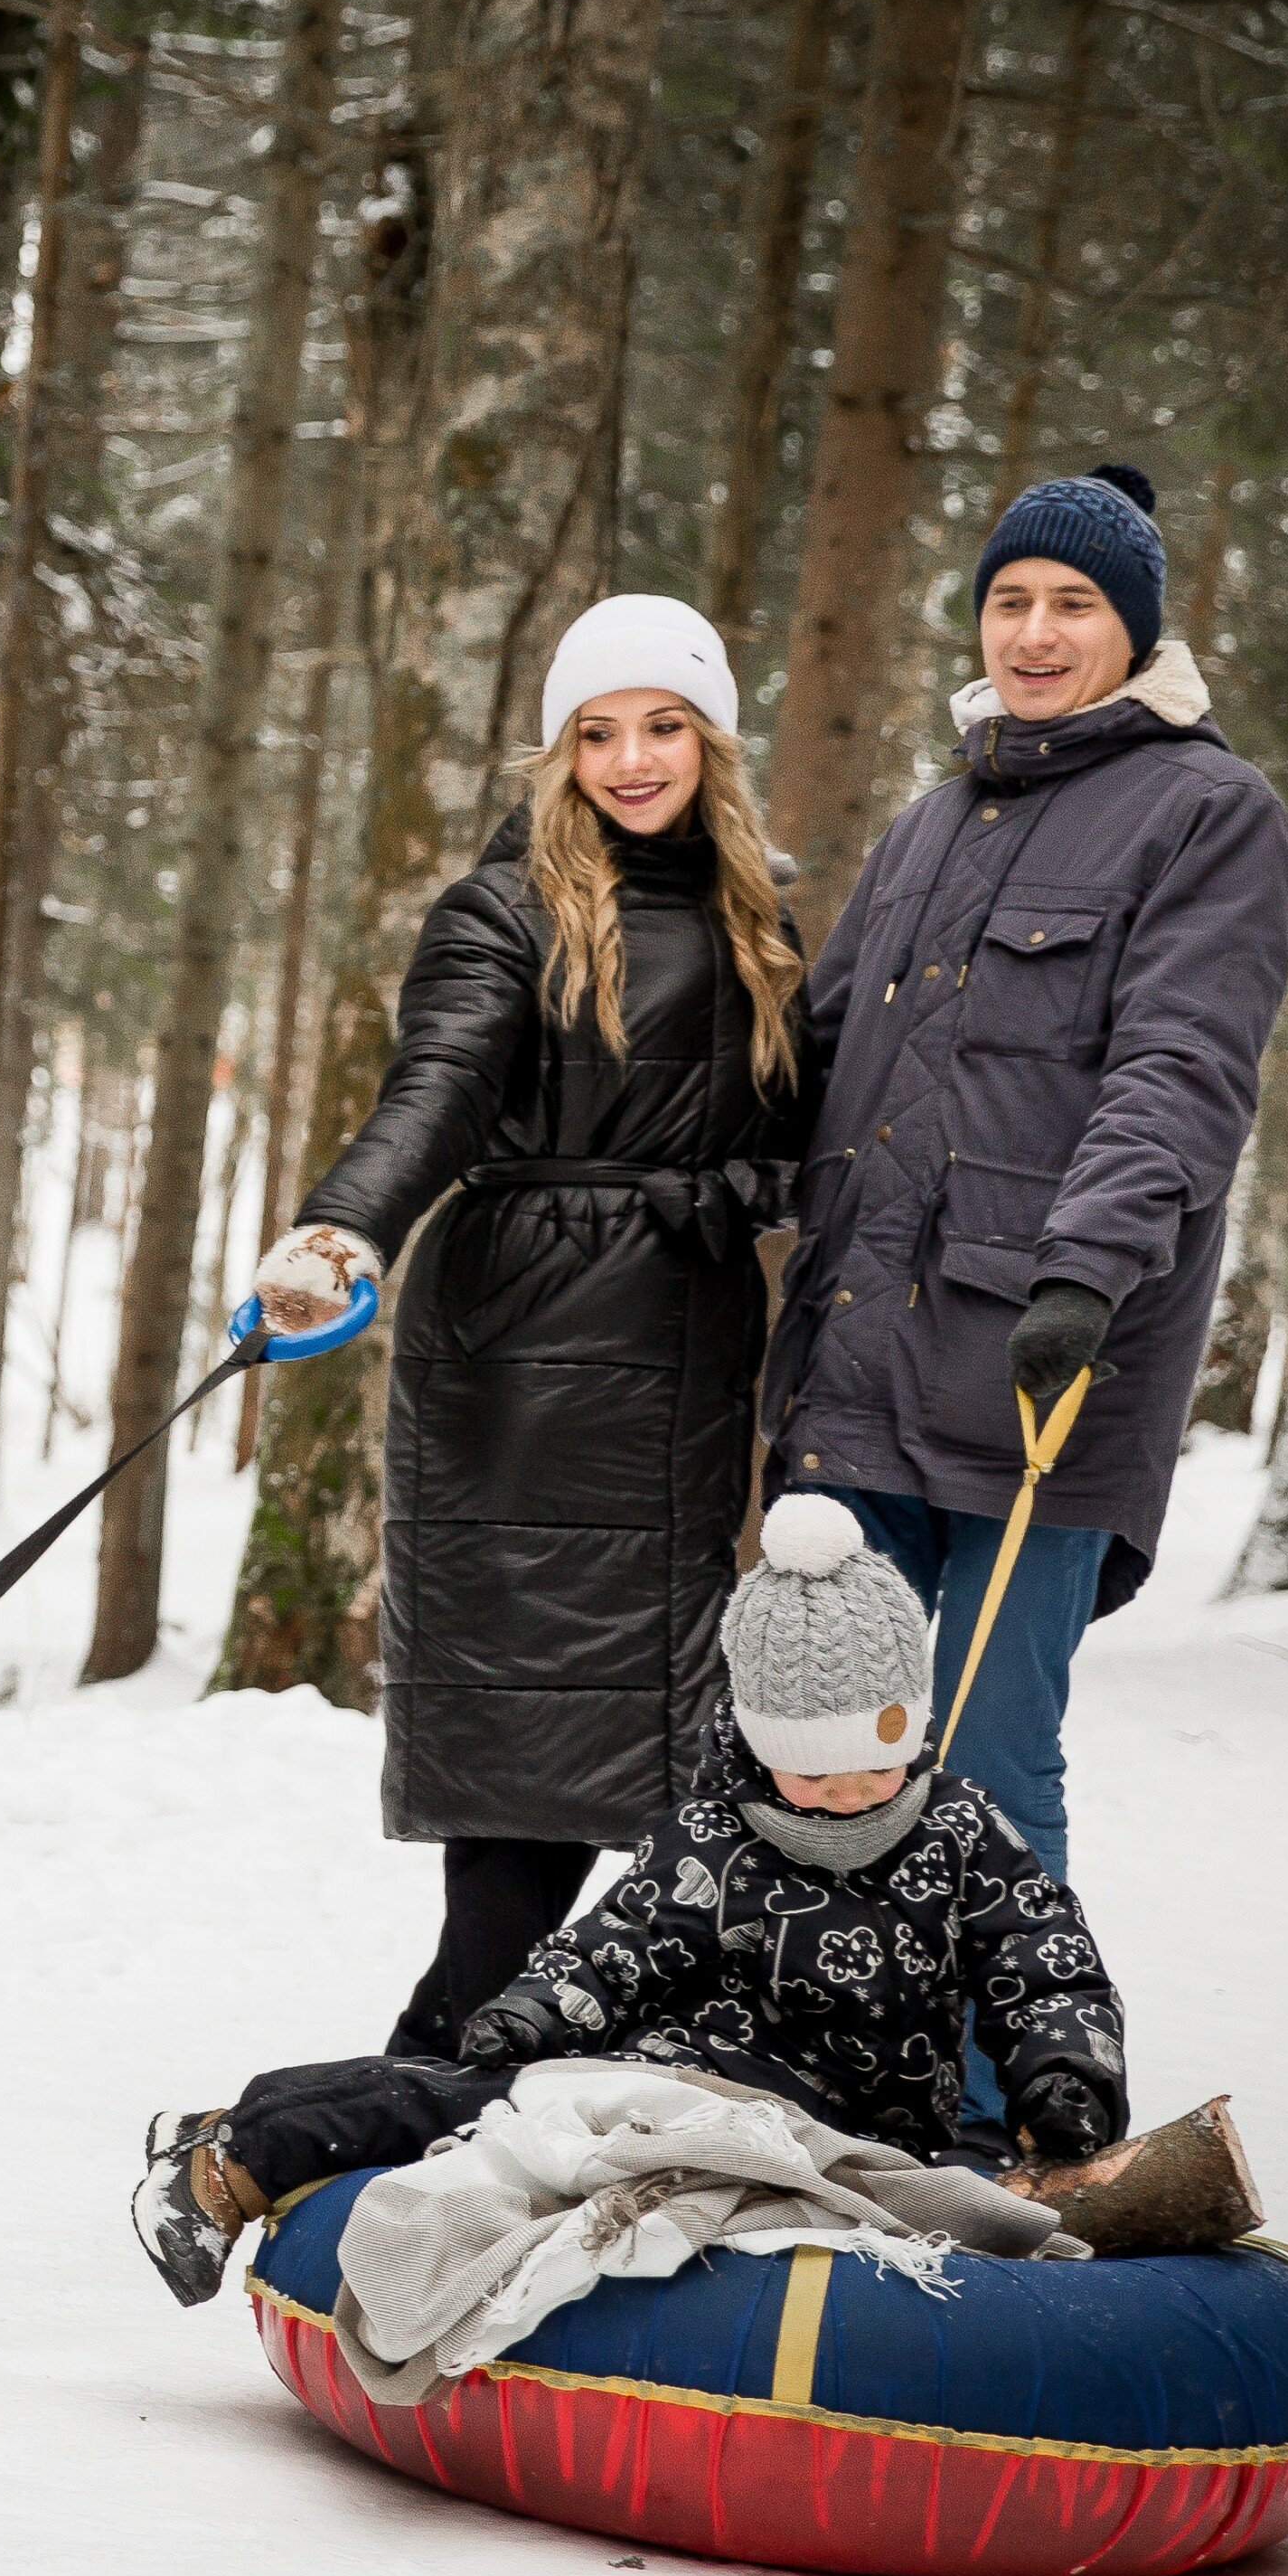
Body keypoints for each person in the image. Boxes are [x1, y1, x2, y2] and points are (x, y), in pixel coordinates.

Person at [242, 592, 816, 2060]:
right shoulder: (505, 908)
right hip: (523, 1358)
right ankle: (433, 2067)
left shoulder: (761, 918)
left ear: (712, 738)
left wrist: (757, 1187)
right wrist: (341, 1229)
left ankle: (496, 2060)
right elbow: (432, 1094)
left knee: (660, 1734)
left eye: (664, 725)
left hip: (683, 1354)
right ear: (559, 749)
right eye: (597, 731)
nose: (632, 758)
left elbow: (805, 1123)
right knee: (532, 1743)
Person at [756, 465, 1288, 1976]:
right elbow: (816, 1065)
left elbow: (1180, 1069)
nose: (1037, 632)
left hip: (1045, 1362)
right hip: (861, 1363)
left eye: (1073, 604)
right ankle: (841, 2053)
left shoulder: (1210, 816)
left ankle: (1008, 2079)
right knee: (826, 1753)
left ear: (1136, 630)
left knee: (989, 1757)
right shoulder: (932, 820)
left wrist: (1086, 1273)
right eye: (1011, 601)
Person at [128, 1493, 1129, 2305]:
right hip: (679, 2090)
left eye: (876, 1764)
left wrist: (1065, 2073)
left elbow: (1044, 1963)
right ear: (759, 1742)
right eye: (814, 1769)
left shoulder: (961, 1834)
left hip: (861, 2138)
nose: (849, 1794)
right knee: (471, 2105)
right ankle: (231, 2160)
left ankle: (231, 2124)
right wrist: (539, 2009)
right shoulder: (714, 1836)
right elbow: (617, 1944)